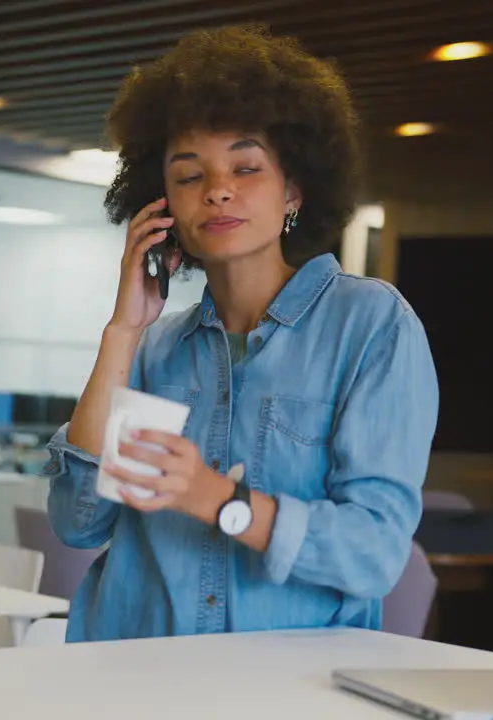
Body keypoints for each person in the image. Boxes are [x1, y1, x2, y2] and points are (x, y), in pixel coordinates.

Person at [43, 25, 440, 642]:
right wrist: (121, 332)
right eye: (189, 174)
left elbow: (374, 553)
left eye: (245, 166)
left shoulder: (371, 327)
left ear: (295, 189)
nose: (218, 189)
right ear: (163, 203)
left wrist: (218, 498)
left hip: (286, 689)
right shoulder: (153, 347)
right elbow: (81, 522)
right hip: (130, 677)